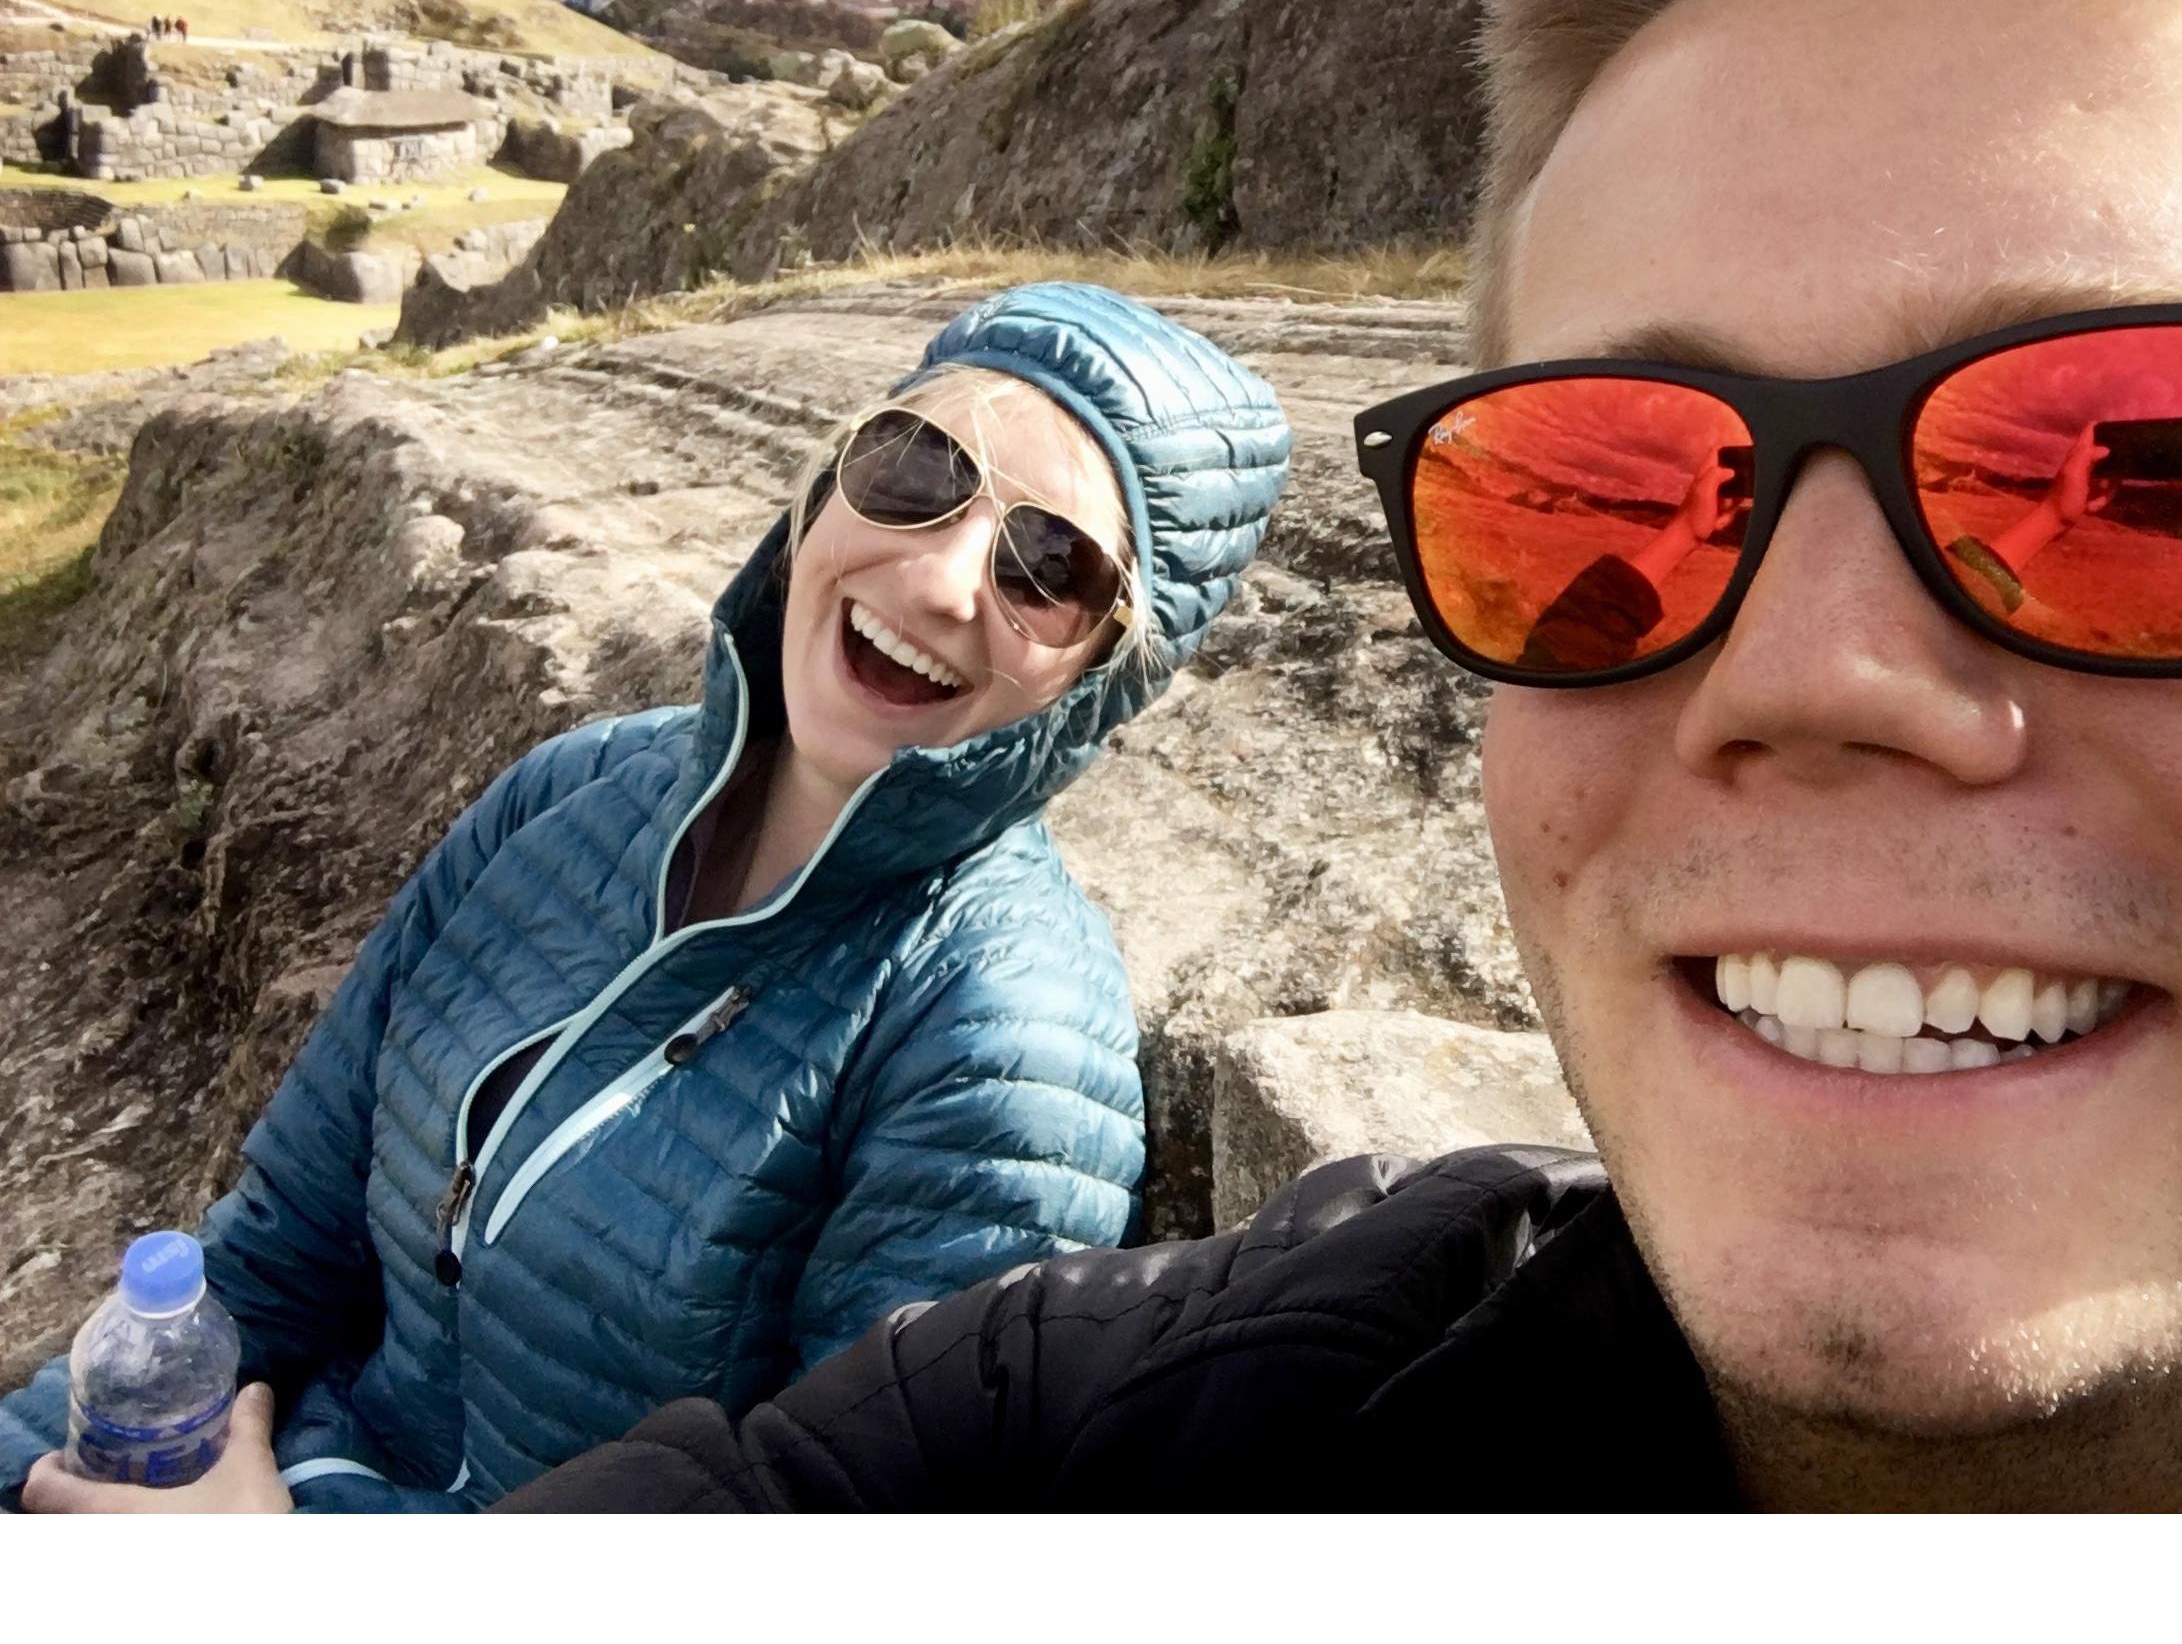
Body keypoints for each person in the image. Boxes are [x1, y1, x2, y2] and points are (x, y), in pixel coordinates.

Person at [86, 0, 2182, 1514]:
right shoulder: (1152, 1431)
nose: (1810, 676)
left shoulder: (999, 1038)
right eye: (1607, 499)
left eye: (2153, 473)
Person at [3, 280, 1292, 1512]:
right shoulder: (568, 792)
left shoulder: (1002, 1039)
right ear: (827, 483)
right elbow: (281, 1247)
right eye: (917, 468)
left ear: (1108, 680)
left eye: (1048, 567)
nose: (939, 580)